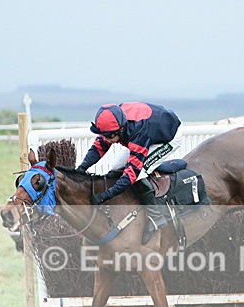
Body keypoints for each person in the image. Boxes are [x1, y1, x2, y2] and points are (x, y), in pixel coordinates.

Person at [76, 102, 181, 244]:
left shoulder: (138, 133)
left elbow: (131, 175)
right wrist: (81, 169)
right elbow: (99, 147)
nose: (105, 139)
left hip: (168, 137)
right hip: (147, 128)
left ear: (119, 130)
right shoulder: (112, 122)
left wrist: (106, 196)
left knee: (140, 173)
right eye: (103, 135)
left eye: (108, 136)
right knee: (116, 167)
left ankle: (156, 217)